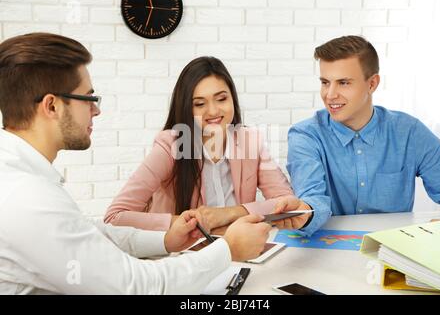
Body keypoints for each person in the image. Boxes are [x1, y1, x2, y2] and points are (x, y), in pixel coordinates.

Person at [0, 32, 271, 294]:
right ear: (52, 107)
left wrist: (165, 239)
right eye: (88, 98)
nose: (96, 109)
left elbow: (92, 233)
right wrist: (227, 250)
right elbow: (139, 287)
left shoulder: (23, 181)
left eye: (221, 98)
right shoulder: (28, 200)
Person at [104, 56, 312, 233]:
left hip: (237, 249)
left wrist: (228, 214)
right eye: (200, 104)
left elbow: (287, 203)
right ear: (186, 107)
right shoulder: (171, 146)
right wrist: (191, 223)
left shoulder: (250, 141)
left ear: (232, 99)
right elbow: (114, 217)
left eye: (221, 99)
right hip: (180, 257)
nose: (213, 111)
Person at [285, 35, 440, 236]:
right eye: (325, 82)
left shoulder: (409, 132)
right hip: (327, 252)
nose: (330, 94)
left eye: (344, 83)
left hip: (392, 252)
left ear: (372, 84)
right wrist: (305, 213)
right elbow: (312, 197)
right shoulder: (305, 136)